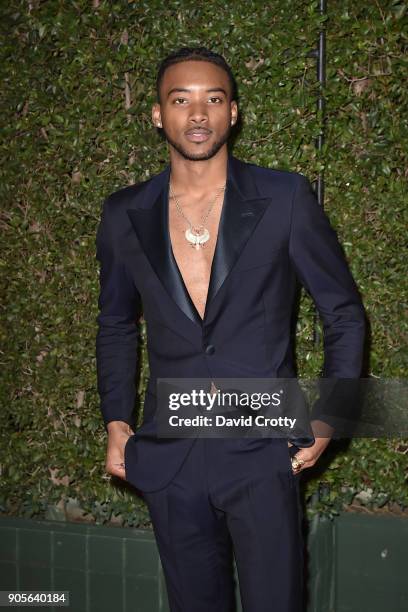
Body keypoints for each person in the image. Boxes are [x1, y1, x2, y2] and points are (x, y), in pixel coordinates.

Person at [95, 47, 365, 612]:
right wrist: (117, 421)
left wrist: (329, 416)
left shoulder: (285, 198)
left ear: (233, 113)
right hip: (170, 451)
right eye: (181, 100)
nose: (198, 114)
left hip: (264, 444)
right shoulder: (125, 213)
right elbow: (117, 323)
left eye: (213, 99)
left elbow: (342, 311)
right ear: (157, 115)